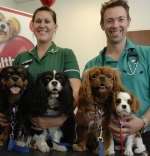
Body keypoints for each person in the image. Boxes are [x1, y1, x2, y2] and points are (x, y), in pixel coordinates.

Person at [0, 6, 81, 147]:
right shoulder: (21, 57)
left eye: (47, 21)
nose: (42, 25)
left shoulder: (66, 54)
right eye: (38, 21)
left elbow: (75, 92)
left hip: (57, 131)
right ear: (32, 26)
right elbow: (10, 91)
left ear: (55, 26)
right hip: (25, 130)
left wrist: (58, 120)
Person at [84, 0, 150, 154]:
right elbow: (85, 107)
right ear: (102, 25)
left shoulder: (147, 55)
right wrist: (98, 120)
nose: (115, 25)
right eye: (109, 21)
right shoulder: (91, 67)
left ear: (128, 22)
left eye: (121, 19)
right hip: (105, 140)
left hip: (143, 137)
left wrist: (143, 121)